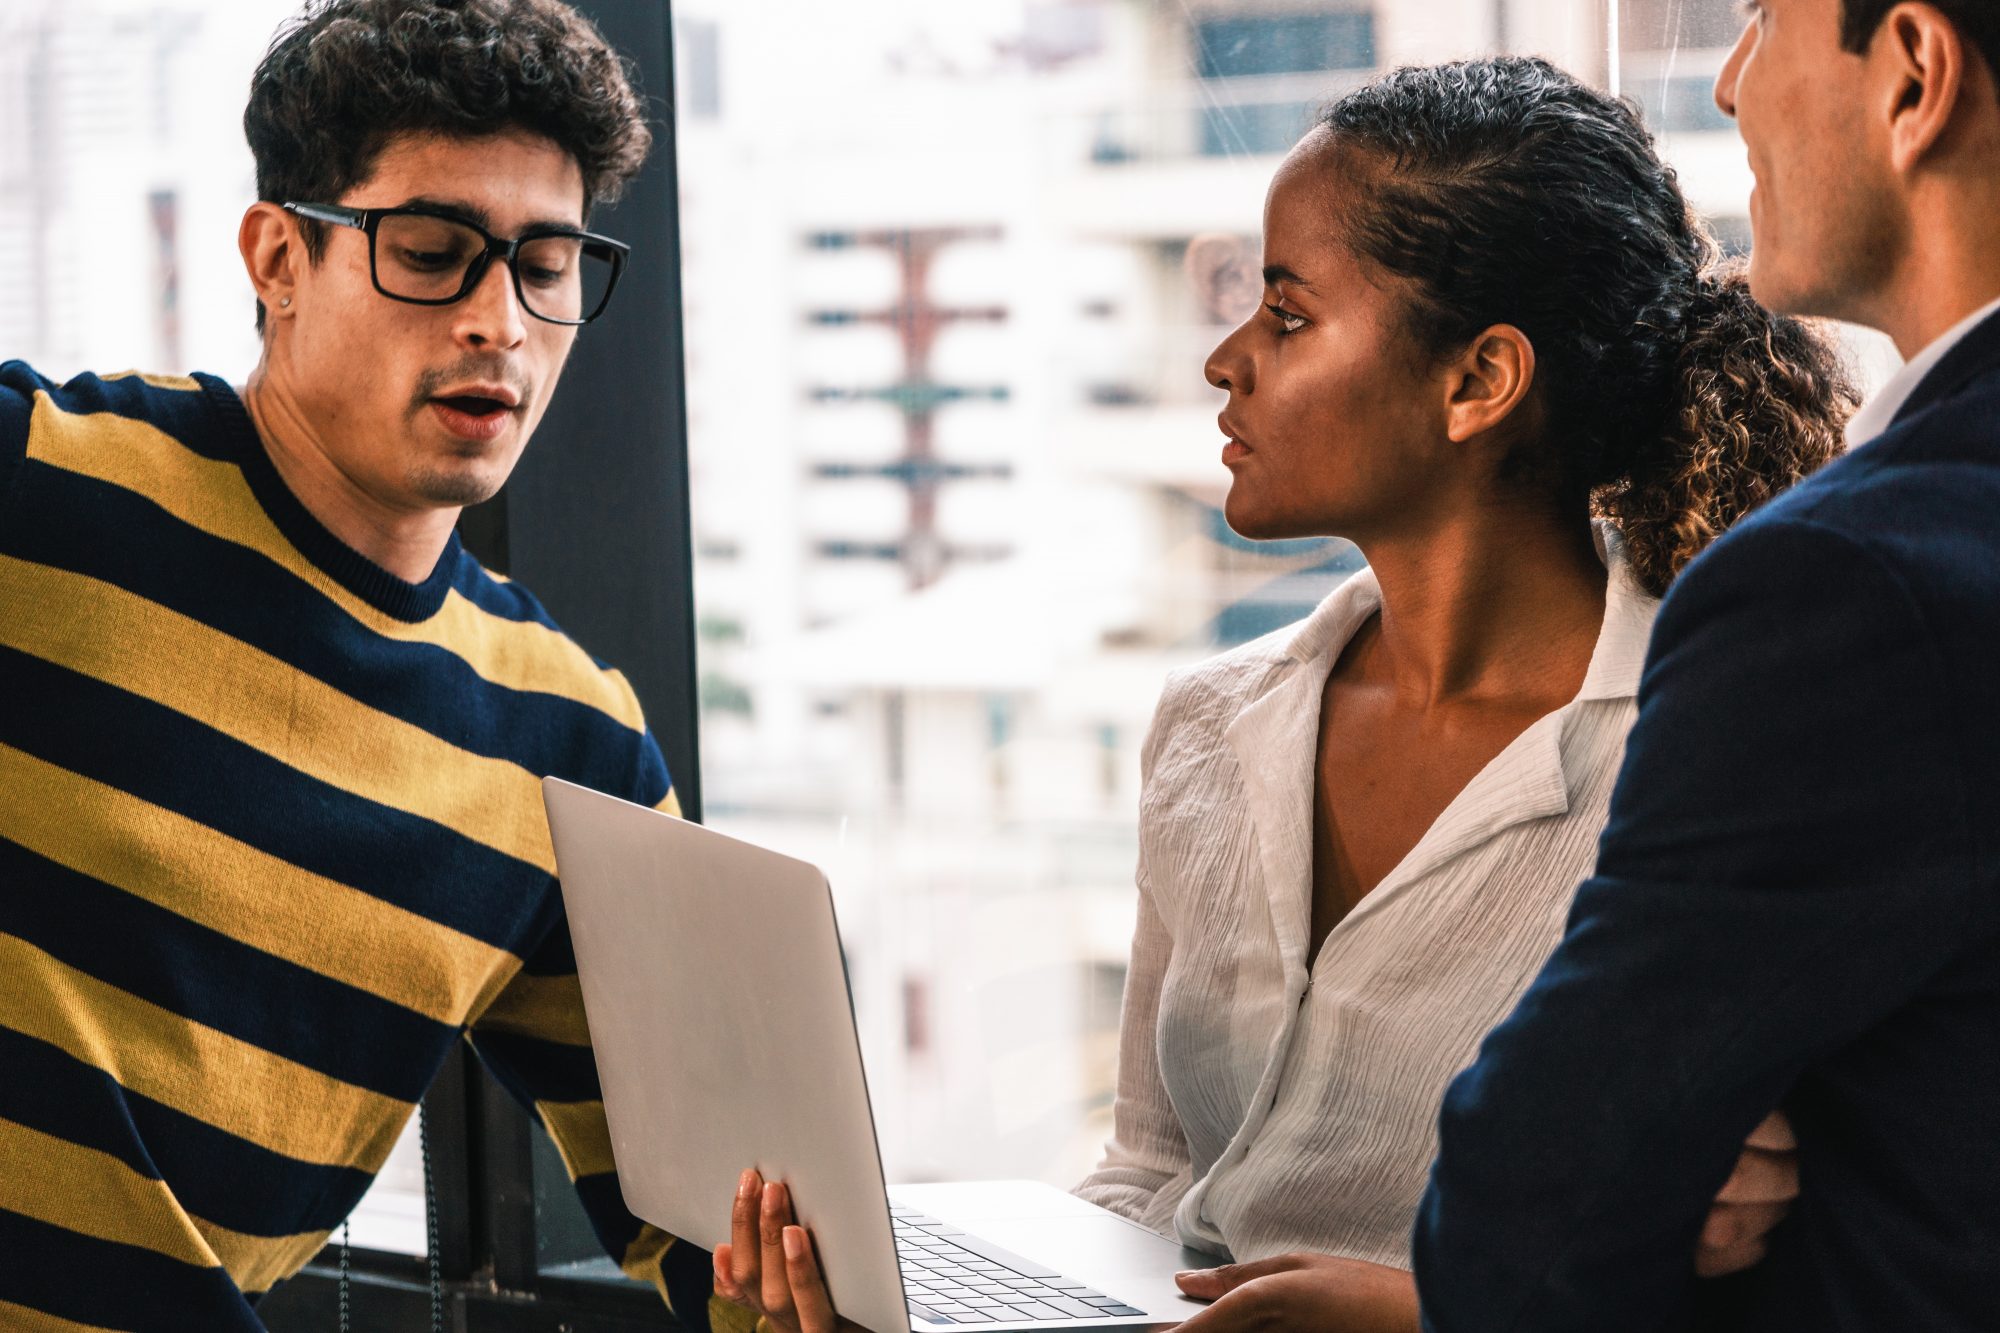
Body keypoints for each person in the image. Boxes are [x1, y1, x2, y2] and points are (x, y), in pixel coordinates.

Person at [705, 57, 1855, 1333]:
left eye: (1287, 315)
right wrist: (938, 1302)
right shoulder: (1208, 725)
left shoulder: (1695, 766)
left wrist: (1418, 1311)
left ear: (1477, 381)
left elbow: (1748, 1258)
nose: (1222, 361)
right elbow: (1153, 1174)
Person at [0, 1, 748, 1328]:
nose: (499, 322)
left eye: (546, 264)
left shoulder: (566, 742)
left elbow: (717, 1225)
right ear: (278, 257)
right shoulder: (38, 484)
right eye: (432, 253)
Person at [1411, 1, 2000, 1330]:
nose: (1731, 86)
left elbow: (1523, 1230)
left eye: (1760, 18)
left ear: (1915, 72)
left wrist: (1676, 1177)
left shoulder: (1847, 588)